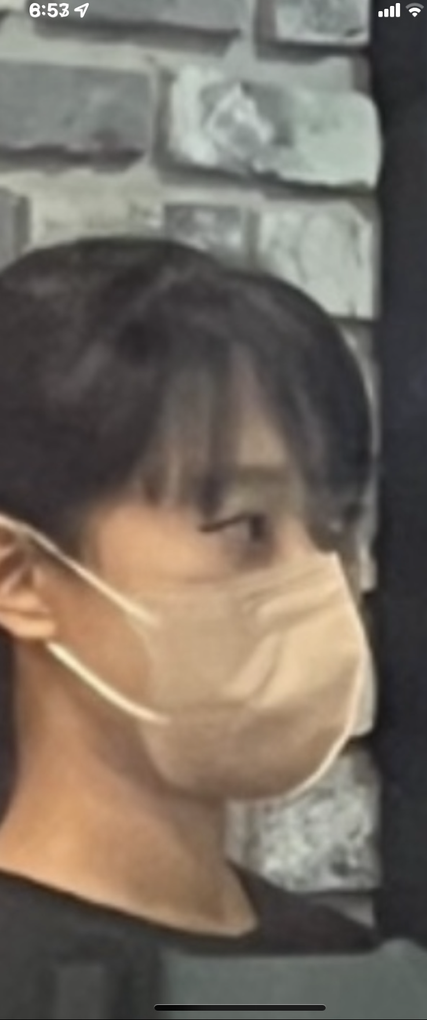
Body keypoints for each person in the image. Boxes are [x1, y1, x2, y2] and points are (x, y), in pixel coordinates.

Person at [0, 237, 378, 1016]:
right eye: (245, 526)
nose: (317, 579)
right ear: (21, 577)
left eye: (332, 526)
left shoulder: (354, 976)